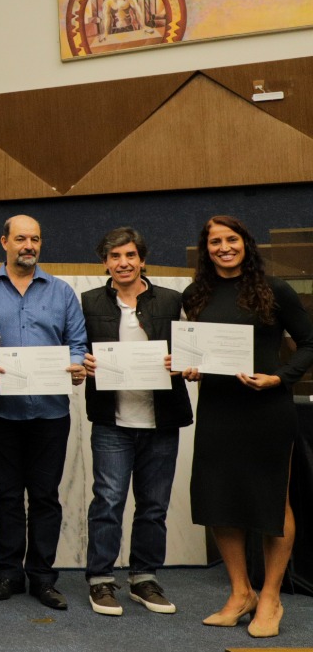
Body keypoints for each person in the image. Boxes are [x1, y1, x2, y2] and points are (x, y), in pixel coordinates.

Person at [179, 216, 313, 640]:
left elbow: (309, 341)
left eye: (231, 239)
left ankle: (271, 596)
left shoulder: (275, 289)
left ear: (245, 243)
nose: (223, 247)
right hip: (218, 410)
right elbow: (194, 350)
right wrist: (191, 368)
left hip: (267, 410)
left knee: (272, 502)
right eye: (215, 241)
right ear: (207, 248)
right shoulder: (194, 293)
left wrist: (281, 377)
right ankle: (241, 593)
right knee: (221, 499)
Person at [0, 216, 88, 611]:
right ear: (4, 242)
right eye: (21, 238)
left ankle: (42, 578)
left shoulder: (61, 292)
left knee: (45, 498)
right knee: (6, 497)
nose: (29, 245)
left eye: (35, 239)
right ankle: (8, 573)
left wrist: (77, 365)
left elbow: (77, 342)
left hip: (49, 414)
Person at [78, 227, 189, 617]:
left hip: (162, 420)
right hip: (112, 421)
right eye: (114, 257)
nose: (122, 263)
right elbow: (77, 350)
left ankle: (144, 578)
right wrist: (83, 363)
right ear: (105, 262)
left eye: (129, 255)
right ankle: (101, 580)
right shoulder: (89, 302)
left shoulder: (173, 299)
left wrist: (186, 364)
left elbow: (194, 353)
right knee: (108, 501)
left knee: (154, 505)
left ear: (141, 259)